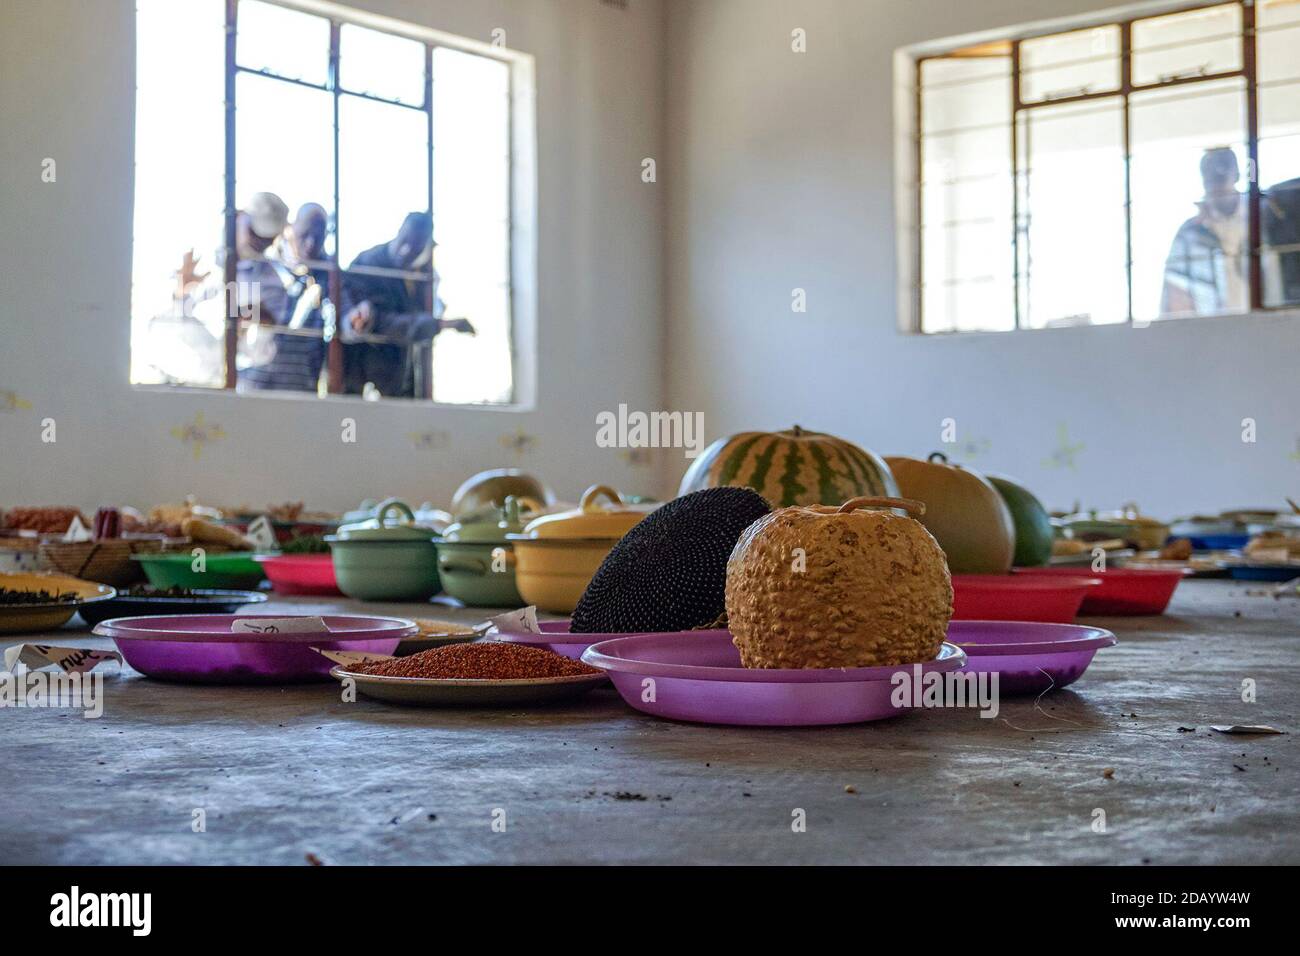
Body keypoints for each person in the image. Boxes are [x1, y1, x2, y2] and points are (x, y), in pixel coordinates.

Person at [339, 212, 474, 397]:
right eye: (404, 241)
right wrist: (440, 324)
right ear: (399, 231)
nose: (406, 251)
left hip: (399, 375)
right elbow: (381, 324)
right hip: (366, 377)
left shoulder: (420, 275)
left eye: (416, 247)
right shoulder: (369, 264)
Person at [239, 202, 330, 393]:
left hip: (300, 385)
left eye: (318, 236)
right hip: (252, 381)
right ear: (290, 228)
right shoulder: (259, 264)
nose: (310, 243)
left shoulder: (329, 277)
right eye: (305, 234)